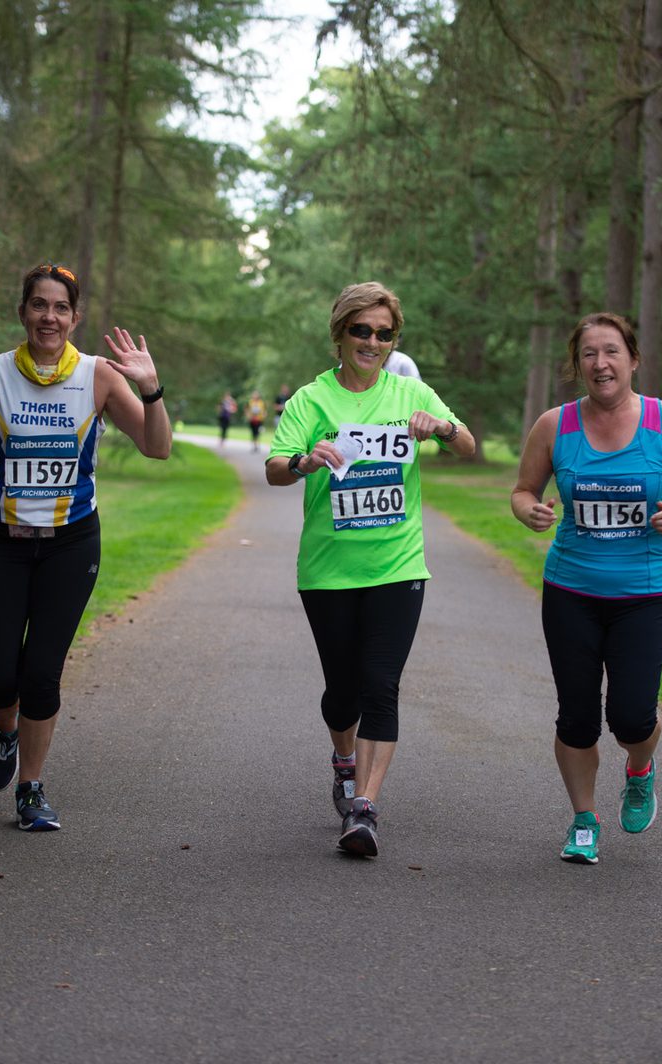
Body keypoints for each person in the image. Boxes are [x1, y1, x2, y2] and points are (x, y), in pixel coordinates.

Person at [0, 261, 171, 832]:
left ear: (75, 316)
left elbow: (157, 447)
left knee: (41, 672)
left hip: (70, 543)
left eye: (61, 306)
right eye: (39, 304)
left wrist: (149, 387)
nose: (50, 316)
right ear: (23, 313)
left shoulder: (98, 376)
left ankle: (31, 789)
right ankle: (6, 728)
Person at [266, 282, 476, 857]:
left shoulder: (411, 393)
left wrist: (444, 428)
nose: (373, 341)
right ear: (340, 333)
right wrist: (308, 460)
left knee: (381, 685)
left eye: (384, 333)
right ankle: (342, 758)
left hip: (397, 564)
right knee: (343, 693)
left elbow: (468, 446)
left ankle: (364, 807)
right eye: (362, 330)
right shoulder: (312, 401)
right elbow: (275, 468)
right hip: (329, 569)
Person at [509, 311, 662, 865]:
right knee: (576, 716)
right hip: (570, 590)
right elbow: (523, 490)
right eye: (590, 354)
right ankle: (585, 820)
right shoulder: (555, 425)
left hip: (642, 593)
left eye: (612, 351)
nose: (601, 363)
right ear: (578, 365)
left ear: (633, 359)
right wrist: (531, 513)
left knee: (633, 717)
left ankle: (639, 769)